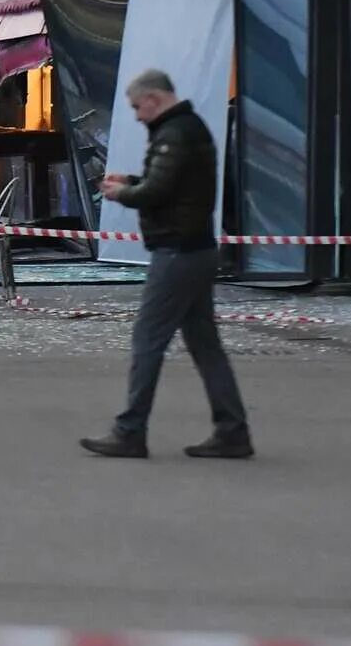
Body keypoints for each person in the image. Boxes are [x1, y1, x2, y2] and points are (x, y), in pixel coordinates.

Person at [82, 69, 253, 461]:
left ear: (155, 99)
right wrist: (134, 180)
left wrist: (124, 191)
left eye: (137, 107)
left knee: (147, 340)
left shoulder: (174, 134)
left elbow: (159, 192)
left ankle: (130, 431)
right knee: (205, 345)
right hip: (196, 248)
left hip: (177, 251)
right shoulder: (186, 130)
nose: (138, 115)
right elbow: (173, 185)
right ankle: (232, 430)